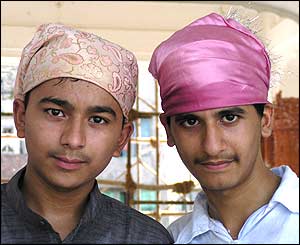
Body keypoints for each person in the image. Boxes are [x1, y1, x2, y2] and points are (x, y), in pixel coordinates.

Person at [1, 23, 174, 244]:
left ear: (121, 139)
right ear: (21, 117)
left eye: (97, 120)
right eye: (56, 112)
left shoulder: (145, 238)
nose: (73, 140)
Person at [148, 12, 299, 244]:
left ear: (266, 120)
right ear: (169, 131)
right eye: (190, 121)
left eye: (229, 117)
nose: (212, 145)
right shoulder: (171, 239)